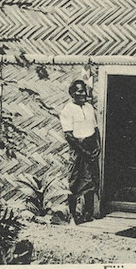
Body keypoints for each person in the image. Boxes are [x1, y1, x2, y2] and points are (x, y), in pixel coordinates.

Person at [60, 79, 100, 225]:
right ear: (72, 93)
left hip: (90, 148)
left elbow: (95, 130)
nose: (82, 93)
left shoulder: (89, 108)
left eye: (83, 90)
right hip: (78, 149)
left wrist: (97, 147)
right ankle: (72, 215)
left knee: (90, 181)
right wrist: (83, 151)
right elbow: (69, 136)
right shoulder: (67, 110)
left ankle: (88, 214)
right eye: (78, 91)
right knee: (75, 181)